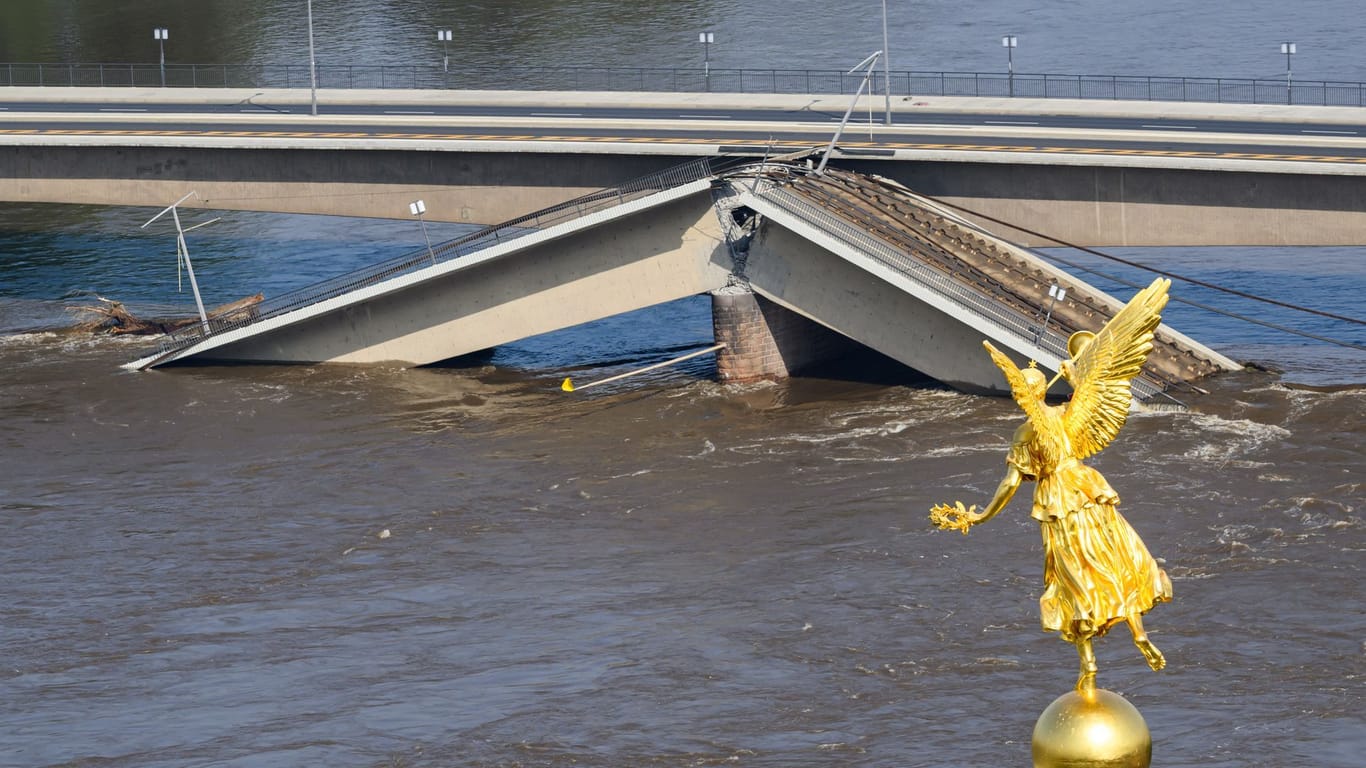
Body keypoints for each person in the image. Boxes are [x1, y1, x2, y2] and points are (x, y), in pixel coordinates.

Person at [931, 278, 1174, 693]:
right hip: (1088, 490)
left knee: (1071, 580)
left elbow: (1010, 484)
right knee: (1115, 563)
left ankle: (1089, 664)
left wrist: (982, 516)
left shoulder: (1027, 432)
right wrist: (1080, 376)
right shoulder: (1069, 415)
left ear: (1022, 395)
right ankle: (1138, 633)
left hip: (1059, 503)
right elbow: (1104, 381)